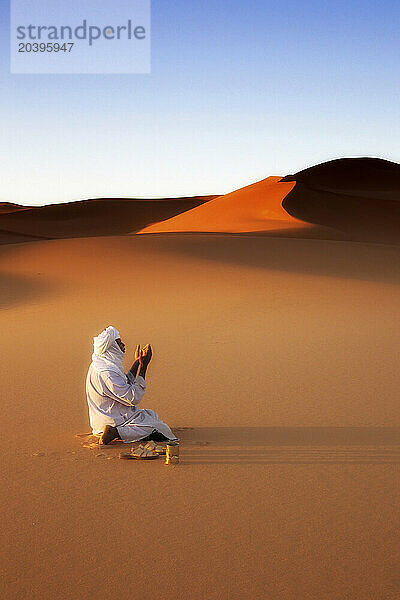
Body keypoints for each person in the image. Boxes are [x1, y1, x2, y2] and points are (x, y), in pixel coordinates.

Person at [86, 326, 178, 445]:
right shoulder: (107, 372)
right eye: (119, 343)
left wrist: (137, 362)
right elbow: (132, 398)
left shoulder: (101, 364)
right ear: (111, 347)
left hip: (110, 416)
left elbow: (123, 383)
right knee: (159, 427)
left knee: (151, 414)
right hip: (114, 420)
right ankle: (115, 432)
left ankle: (119, 431)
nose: (123, 345)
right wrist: (144, 367)